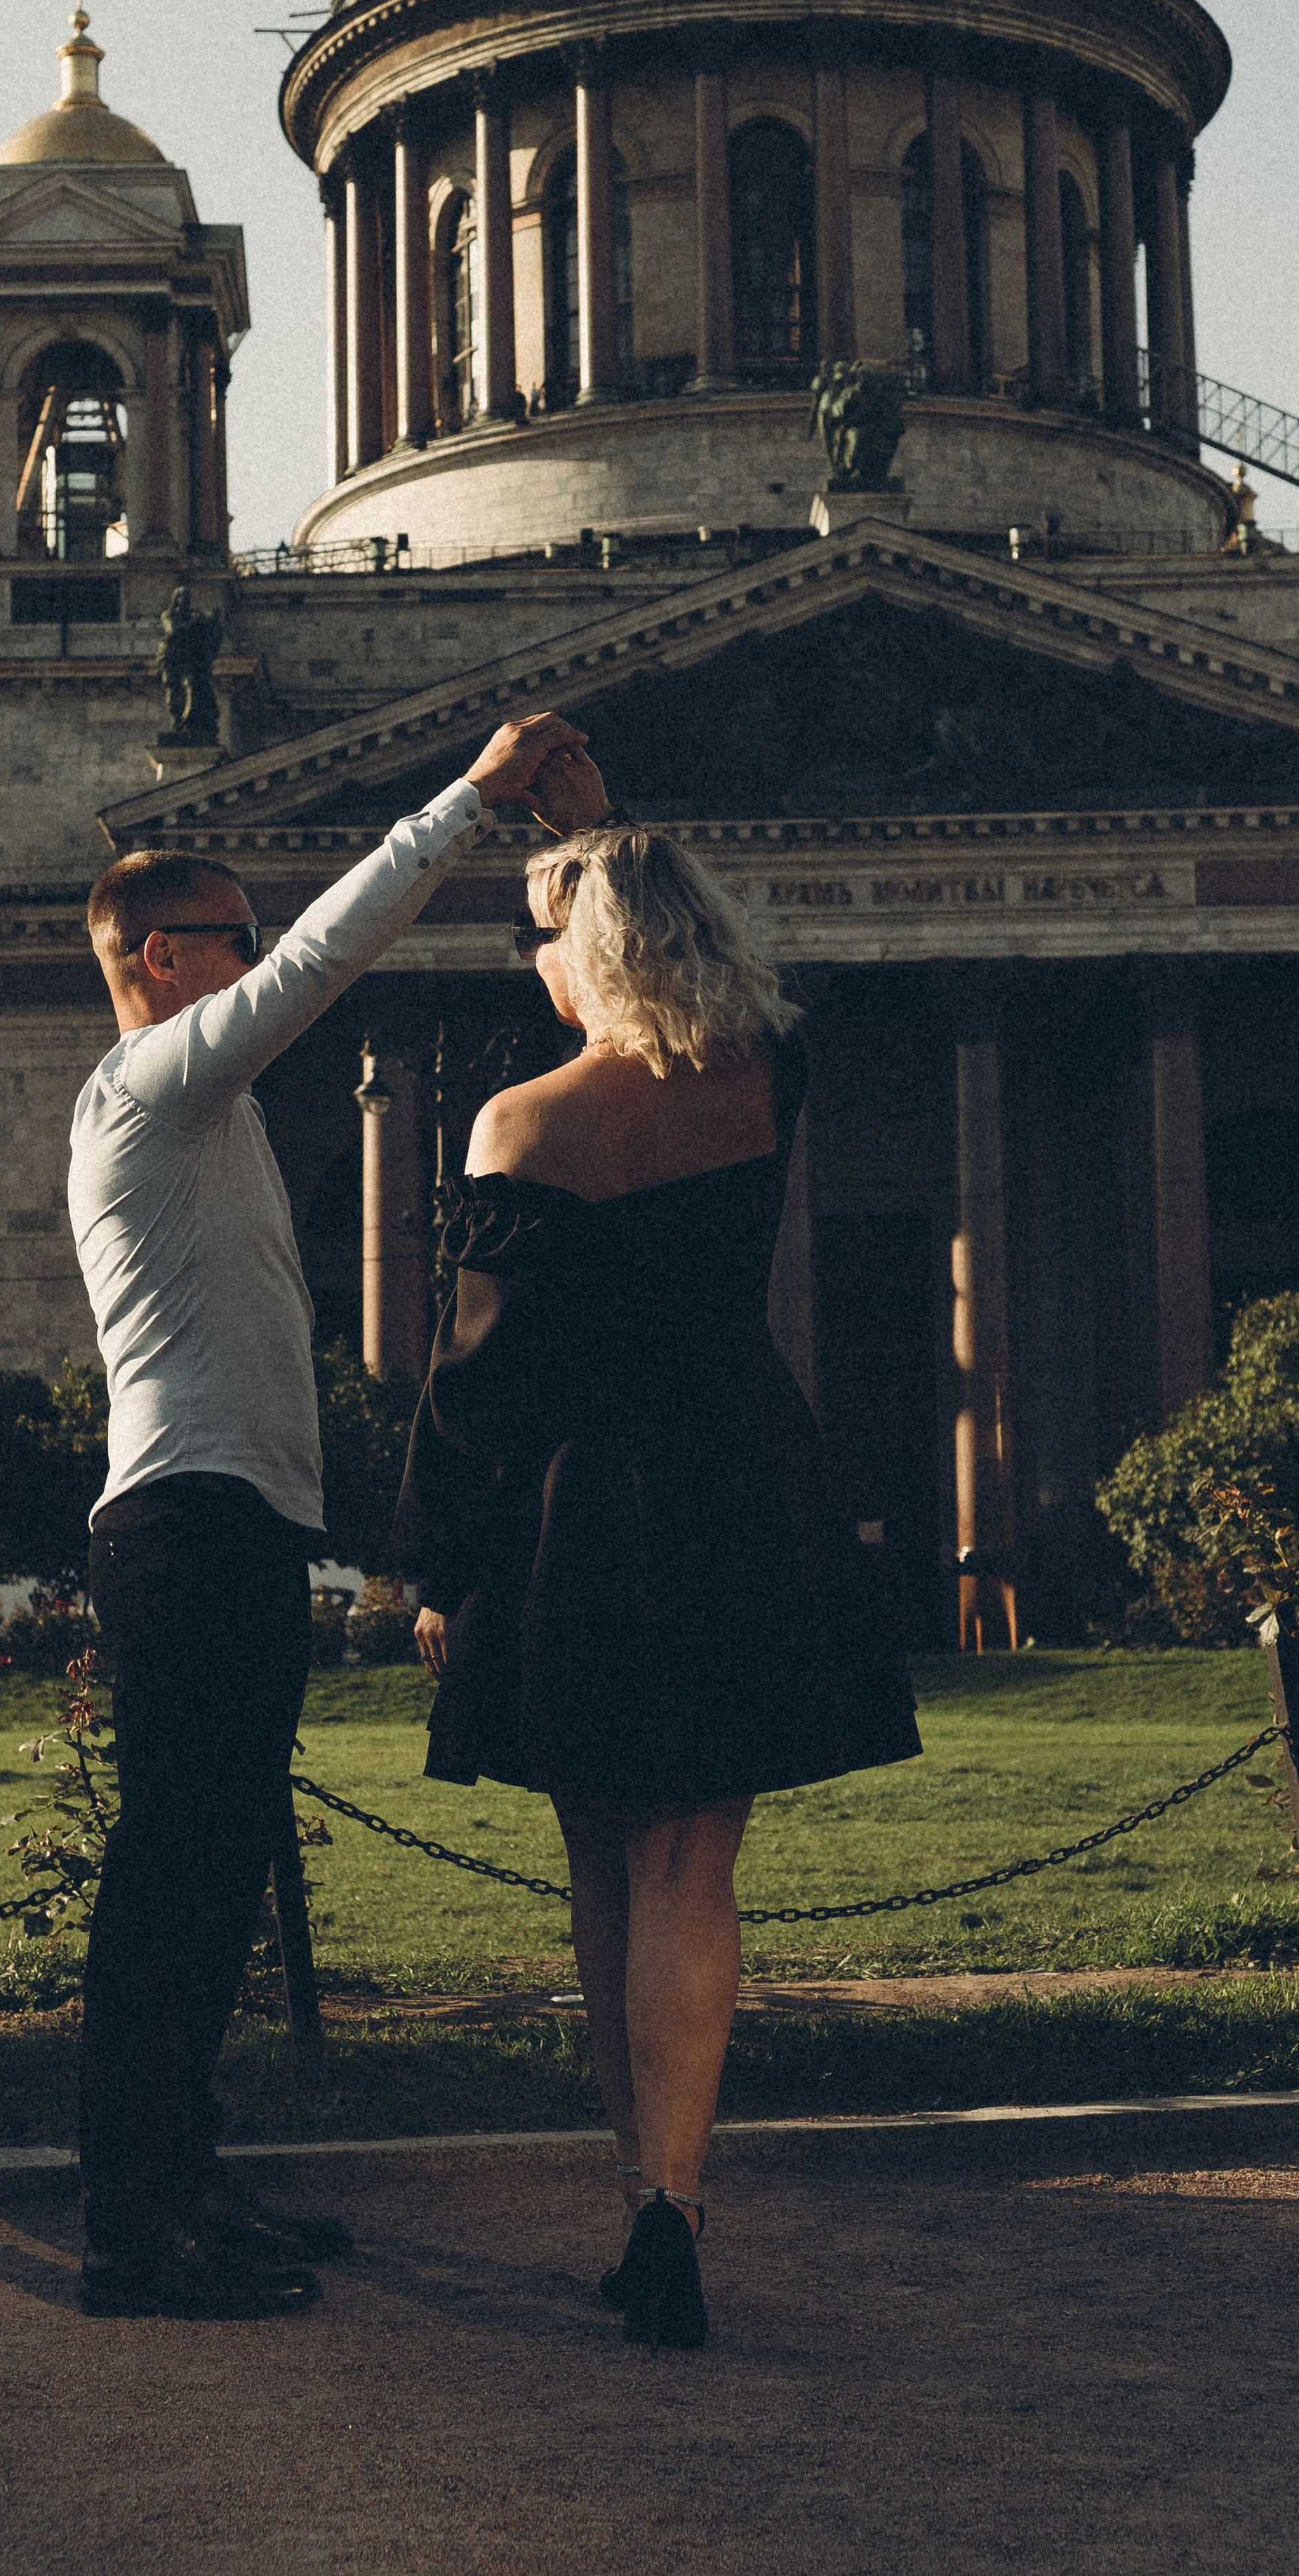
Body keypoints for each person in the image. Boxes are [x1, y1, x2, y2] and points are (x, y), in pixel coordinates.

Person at [69, 710, 589, 2322]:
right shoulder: (150, 1086)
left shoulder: (192, 1116)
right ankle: (130, 2232)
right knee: (175, 1880)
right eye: (228, 938)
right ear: (162, 959)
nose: (256, 960)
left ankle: (186, 2185)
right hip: (188, 1523)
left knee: (214, 1877)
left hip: (231, 1520)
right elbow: (323, 963)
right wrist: (469, 804)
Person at [394, 809, 922, 2350]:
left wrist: (434, 1560)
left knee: (599, 1861)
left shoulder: (521, 1124)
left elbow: (477, 1383)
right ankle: (674, 2209)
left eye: (541, 934)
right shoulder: (763, 1083)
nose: (534, 964)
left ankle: (633, 2188)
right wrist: (603, 842)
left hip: (576, 1512)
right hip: (743, 1482)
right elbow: (663, 910)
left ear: (582, 950)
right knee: (695, 1867)